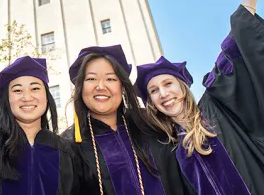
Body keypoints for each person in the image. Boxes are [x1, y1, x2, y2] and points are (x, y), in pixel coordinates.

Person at [136, 0, 264, 194]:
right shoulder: (167, 150)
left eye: (168, 83)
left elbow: (233, 53)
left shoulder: (216, 108)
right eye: (154, 91)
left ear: (182, 87)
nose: (164, 94)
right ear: (151, 103)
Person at [62, 45, 191, 195]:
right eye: (91, 79)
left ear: (122, 86)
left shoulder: (153, 122)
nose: (101, 86)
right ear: (80, 87)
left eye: (110, 79)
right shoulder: (68, 147)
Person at [0, 56, 99, 194]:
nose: (27, 97)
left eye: (35, 88)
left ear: (47, 96)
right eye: (17, 90)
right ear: (7, 100)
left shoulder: (67, 152)